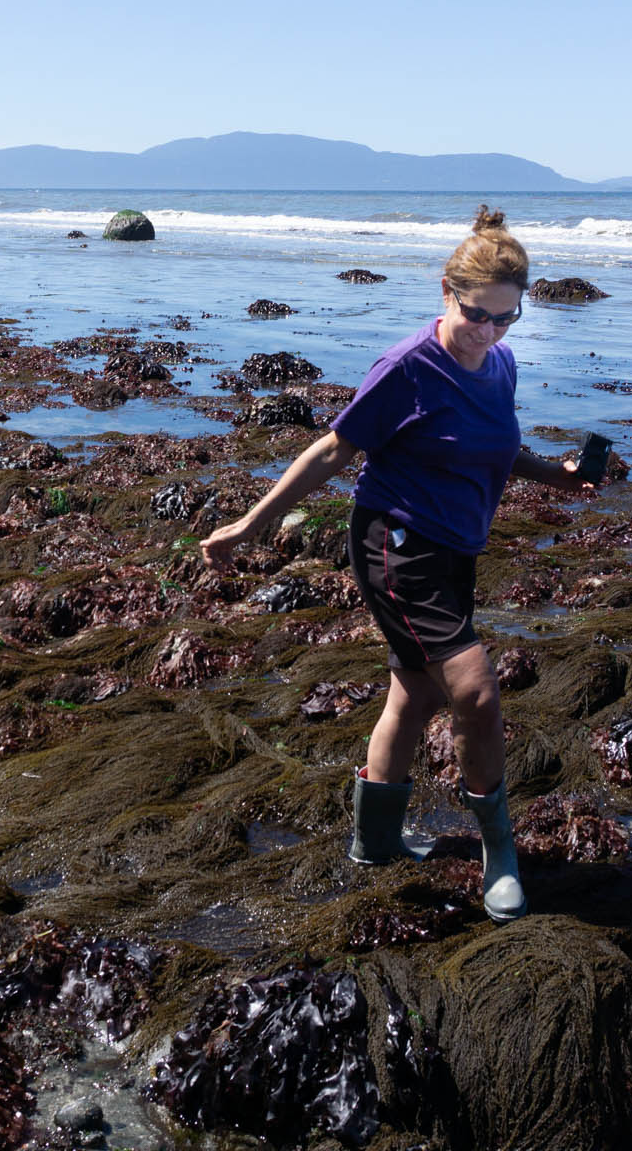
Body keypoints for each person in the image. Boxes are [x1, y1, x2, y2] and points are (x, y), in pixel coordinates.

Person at [200, 206, 601, 923]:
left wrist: (560, 478)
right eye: (480, 315)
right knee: (475, 690)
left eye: (508, 319)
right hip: (395, 544)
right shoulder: (406, 369)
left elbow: (499, 450)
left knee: (413, 696)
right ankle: (498, 851)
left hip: (455, 552)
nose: (492, 332)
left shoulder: (500, 365)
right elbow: (332, 452)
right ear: (447, 291)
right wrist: (252, 524)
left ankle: (373, 842)